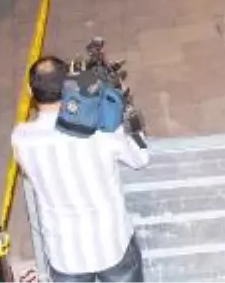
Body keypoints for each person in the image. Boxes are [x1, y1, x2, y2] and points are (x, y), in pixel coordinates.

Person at [12, 56, 150, 282]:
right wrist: (127, 109)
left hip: (65, 255)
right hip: (112, 246)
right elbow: (140, 158)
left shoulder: (21, 138)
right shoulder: (101, 132)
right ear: (68, 86)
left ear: (30, 90)